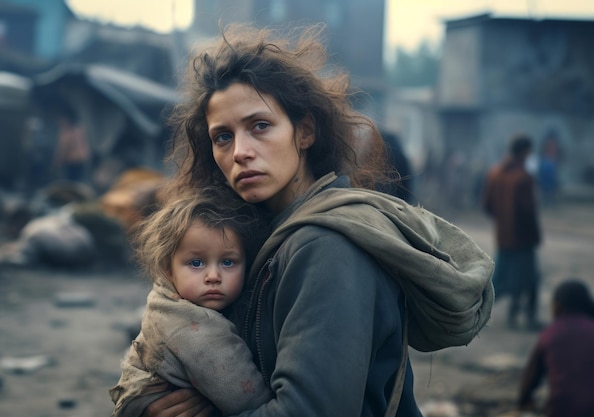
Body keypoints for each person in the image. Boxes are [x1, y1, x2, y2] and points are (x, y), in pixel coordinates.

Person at [132, 23, 494, 417]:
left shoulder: (326, 247)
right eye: (223, 137)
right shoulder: (253, 236)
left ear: (304, 132)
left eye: (260, 126)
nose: (240, 152)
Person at [110, 187, 271, 417]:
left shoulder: (165, 299)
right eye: (196, 263)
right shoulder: (193, 327)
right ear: (168, 269)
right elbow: (245, 399)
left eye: (228, 262)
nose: (213, 276)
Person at [482, 134, 542, 330]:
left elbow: (487, 206)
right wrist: (534, 236)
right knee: (531, 279)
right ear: (525, 152)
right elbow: (528, 213)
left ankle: (487, 313)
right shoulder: (524, 178)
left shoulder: (495, 173)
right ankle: (527, 318)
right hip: (523, 239)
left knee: (501, 279)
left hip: (504, 237)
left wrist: (503, 222)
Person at [517, 279, 594, 417]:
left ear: (558, 305)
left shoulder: (550, 334)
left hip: (561, 411)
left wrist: (524, 402)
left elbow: (530, 378)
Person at [53, 106, 91, 182]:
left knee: (69, 185)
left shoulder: (67, 132)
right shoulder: (80, 128)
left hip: (72, 163)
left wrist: (56, 164)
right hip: (83, 160)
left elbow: (62, 149)